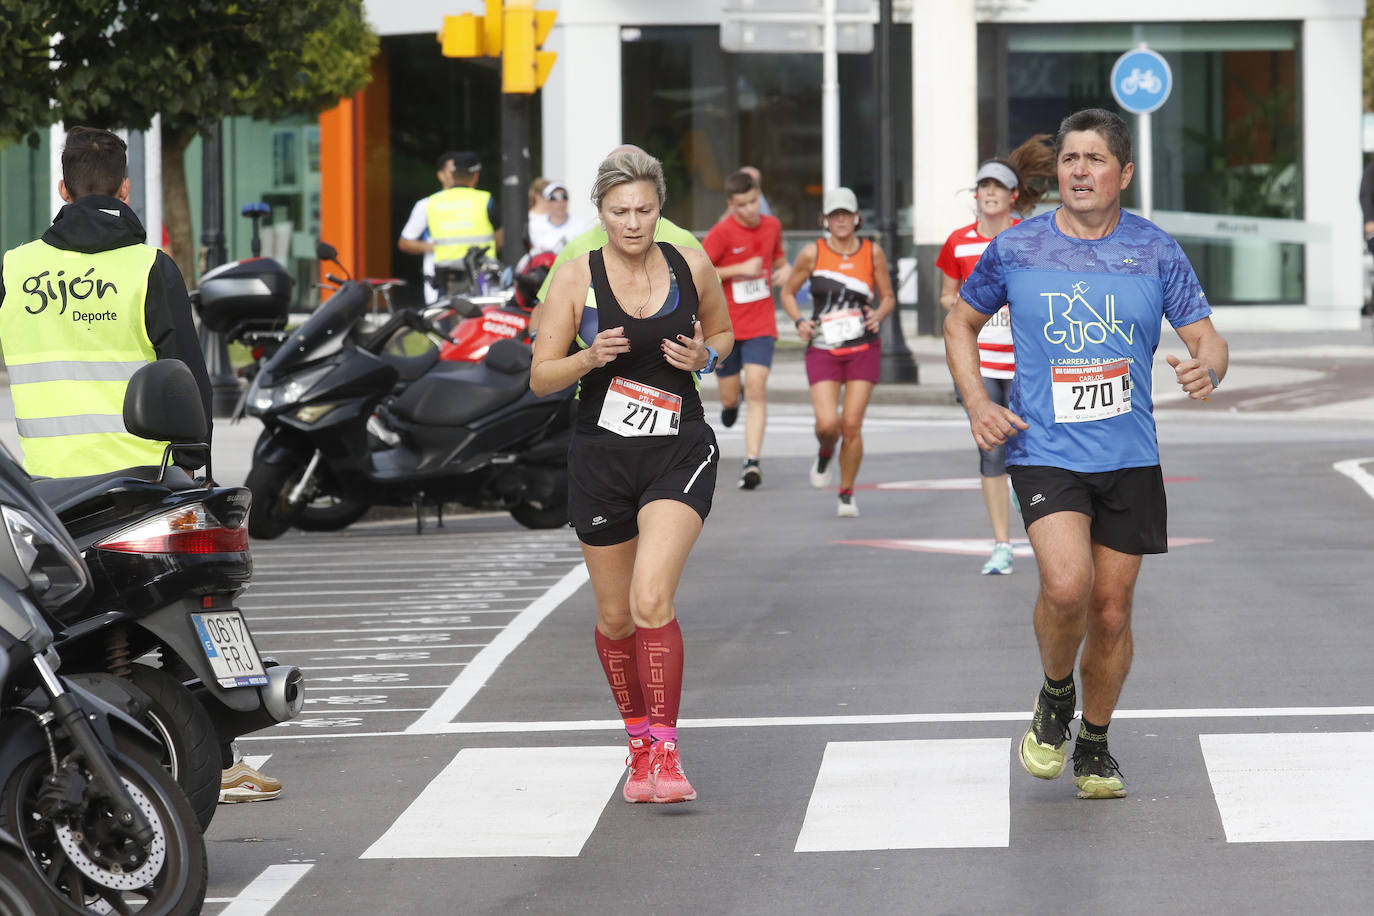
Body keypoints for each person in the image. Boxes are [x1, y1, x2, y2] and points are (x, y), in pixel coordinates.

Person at [944, 108, 1228, 799]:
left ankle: (1095, 742)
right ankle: (1053, 693)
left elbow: (1209, 340)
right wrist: (980, 404)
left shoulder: (1155, 250)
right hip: (1045, 448)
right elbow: (960, 320)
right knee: (1067, 586)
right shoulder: (1017, 247)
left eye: (1095, 159)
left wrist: (1207, 370)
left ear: (1123, 173)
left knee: (1111, 609)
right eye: (1070, 158)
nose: (1079, 170)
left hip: (1129, 454)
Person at [0, 127, 280, 801]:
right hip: (145, 484)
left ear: (61, 190)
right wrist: (197, 472)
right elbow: (185, 374)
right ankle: (220, 748)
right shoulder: (148, 267)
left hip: (46, 496)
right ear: (127, 189)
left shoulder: (14, 269)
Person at [530, 149, 732, 804]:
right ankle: (638, 740)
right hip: (602, 457)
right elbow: (540, 377)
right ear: (601, 211)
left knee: (651, 598)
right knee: (616, 617)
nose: (634, 223)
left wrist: (706, 354)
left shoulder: (688, 262)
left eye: (645, 210)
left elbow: (726, 334)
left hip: (679, 448)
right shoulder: (574, 276)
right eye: (620, 211)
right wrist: (590, 356)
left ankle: (668, 754)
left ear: (660, 207)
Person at [937, 135, 1054, 575]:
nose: (988, 193)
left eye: (997, 187)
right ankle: (1002, 544)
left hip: (1026, 361)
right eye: (982, 186)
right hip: (982, 359)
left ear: (1012, 196)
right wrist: (972, 308)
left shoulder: (1031, 236)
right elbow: (947, 296)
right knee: (990, 451)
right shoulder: (958, 243)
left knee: (1028, 449)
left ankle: (1044, 535)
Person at [779, 187, 895, 517]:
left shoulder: (872, 253)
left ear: (857, 218)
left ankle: (846, 492)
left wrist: (879, 313)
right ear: (825, 220)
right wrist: (799, 321)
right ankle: (826, 450)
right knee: (828, 423)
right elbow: (787, 292)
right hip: (823, 348)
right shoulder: (811, 253)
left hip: (862, 347)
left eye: (846, 214)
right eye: (834, 215)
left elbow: (887, 297)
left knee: (852, 425)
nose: (841, 220)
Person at [702, 168, 788, 489]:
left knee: (757, 389)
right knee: (729, 395)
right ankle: (730, 403)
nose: (750, 210)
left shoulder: (773, 226)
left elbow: (778, 257)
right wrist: (739, 268)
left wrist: (785, 269)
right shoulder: (722, 233)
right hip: (726, 327)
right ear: (731, 204)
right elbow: (703, 272)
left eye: (754, 202)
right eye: (742, 205)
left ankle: (752, 461)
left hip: (762, 322)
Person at [398, 151, 502, 303]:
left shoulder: (432, 203)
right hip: (482, 277)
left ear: (452, 174)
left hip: (447, 279)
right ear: (476, 175)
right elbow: (500, 237)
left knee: (449, 324)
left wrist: (443, 247)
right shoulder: (485, 199)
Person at [528, 181, 591, 256]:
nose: (560, 202)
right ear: (546, 201)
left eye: (564, 197)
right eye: (554, 198)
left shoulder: (584, 224)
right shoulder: (534, 225)